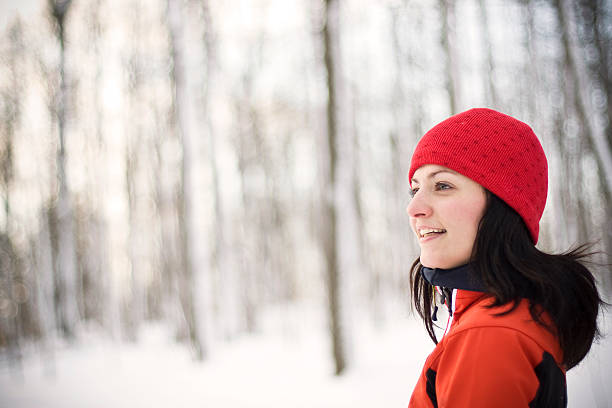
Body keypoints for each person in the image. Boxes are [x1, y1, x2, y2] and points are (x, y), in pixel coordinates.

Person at [405, 108, 604, 408]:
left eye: (442, 185)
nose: (414, 208)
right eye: (415, 189)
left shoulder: (490, 335)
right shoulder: (504, 317)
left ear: (502, 204)